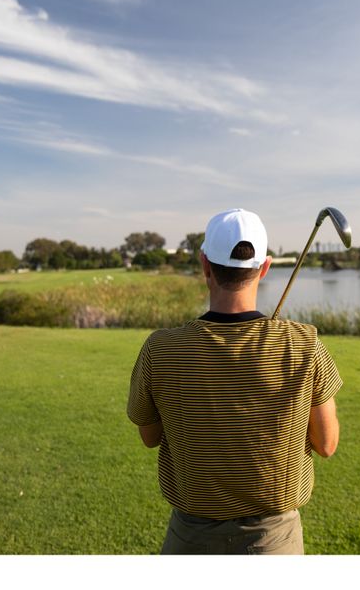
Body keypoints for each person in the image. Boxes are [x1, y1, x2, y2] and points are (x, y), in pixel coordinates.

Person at [127, 207, 342, 554]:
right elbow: (326, 444)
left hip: (190, 539)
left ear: (205, 266)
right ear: (265, 268)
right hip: (275, 541)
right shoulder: (304, 344)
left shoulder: (161, 349)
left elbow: (150, 437)